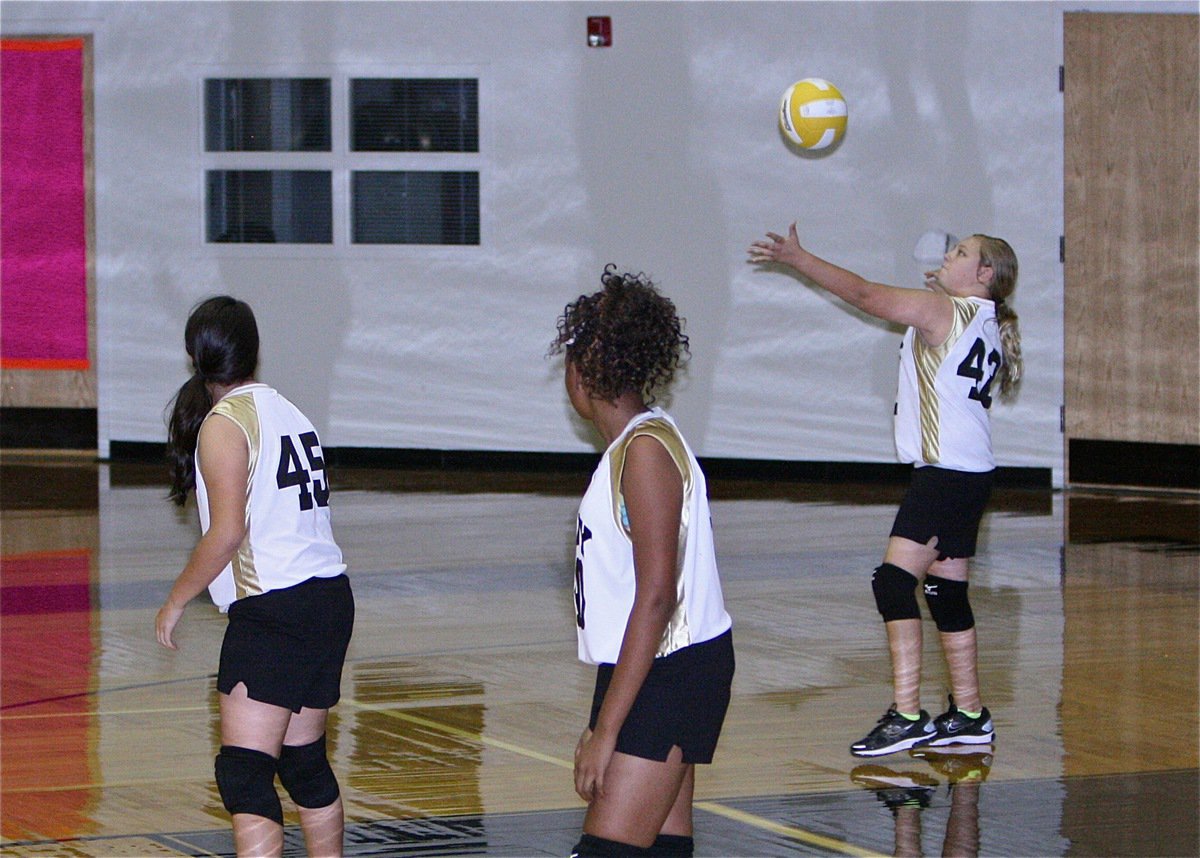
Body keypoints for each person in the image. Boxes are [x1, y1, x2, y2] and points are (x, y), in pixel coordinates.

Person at [748, 223, 1022, 757]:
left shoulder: (943, 310)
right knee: (945, 592)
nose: (948, 255)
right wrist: (942, 291)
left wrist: (799, 259)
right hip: (970, 474)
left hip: (945, 476)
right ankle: (969, 715)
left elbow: (866, 295)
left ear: (984, 274)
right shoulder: (980, 317)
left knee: (893, 585)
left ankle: (908, 716)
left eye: (961, 253)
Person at [155, 296, 354, 857]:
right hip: (329, 600)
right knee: (303, 762)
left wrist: (174, 600)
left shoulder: (225, 425)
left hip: (277, 609)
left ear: (195, 355)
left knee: (244, 775)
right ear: (253, 352)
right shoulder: (289, 411)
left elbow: (226, 534)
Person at [550, 266, 735, 857]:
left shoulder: (646, 452)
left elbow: (657, 595)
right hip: (658, 665)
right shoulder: (639, 445)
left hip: (671, 668)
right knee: (660, 850)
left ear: (583, 373)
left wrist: (606, 731)